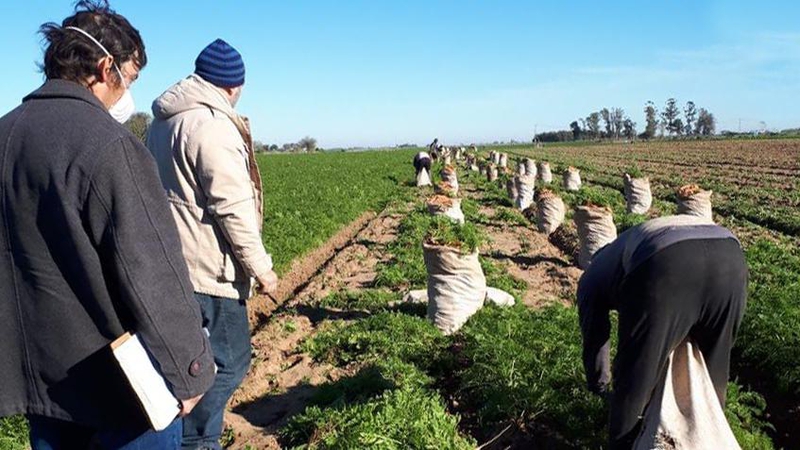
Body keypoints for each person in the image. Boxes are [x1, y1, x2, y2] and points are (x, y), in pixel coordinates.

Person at [0, 1, 215, 449]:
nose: (127, 93)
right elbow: (151, 269)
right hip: (120, 392)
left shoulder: (6, 135)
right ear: (104, 68)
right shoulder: (108, 144)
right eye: (129, 79)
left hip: (40, 387)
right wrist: (191, 368)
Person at [146, 38, 279, 449]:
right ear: (232, 86)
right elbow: (233, 207)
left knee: (188, 363)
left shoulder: (163, 122)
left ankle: (180, 435)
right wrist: (262, 269)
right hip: (209, 270)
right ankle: (196, 440)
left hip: (171, 264)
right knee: (229, 362)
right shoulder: (211, 126)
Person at [577, 214, 748, 449]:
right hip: (731, 256)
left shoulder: (590, 279)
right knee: (712, 372)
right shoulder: (621, 248)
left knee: (635, 380)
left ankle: (622, 444)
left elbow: (595, 336)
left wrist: (600, 386)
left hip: (667, 262)